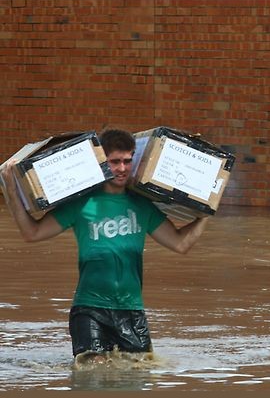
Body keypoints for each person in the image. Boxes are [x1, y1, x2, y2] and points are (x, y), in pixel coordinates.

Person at [1, 129, 210, 362]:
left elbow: (180, 243)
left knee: (136, 376)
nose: (122, 168)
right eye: (115, 162)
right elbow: (32, 233)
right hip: (89, 309)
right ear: (102, 161)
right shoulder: (81, 204)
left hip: (132, 311)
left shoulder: (142, 206)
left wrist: (206, 212)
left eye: (127, 161)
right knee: (92, 372)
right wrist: (11, 189)